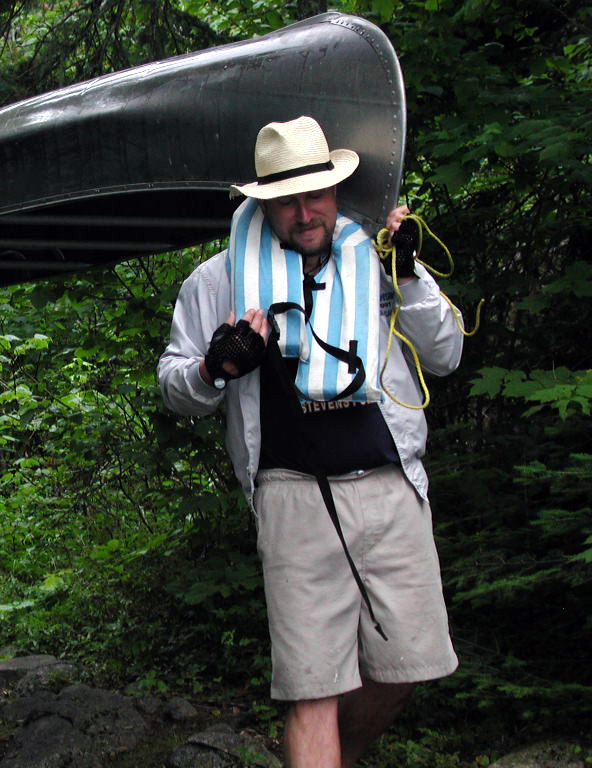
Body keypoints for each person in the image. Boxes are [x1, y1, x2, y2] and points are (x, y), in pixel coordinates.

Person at [157, 116, 463, 768]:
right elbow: (175, 388)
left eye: (315, 195)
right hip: (292, 496)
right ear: (262, 204)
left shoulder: (378, 258)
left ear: (336, 191)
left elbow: (445, 354)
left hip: (390, 489)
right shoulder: (219, 281)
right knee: (312, 690)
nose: (304, 214)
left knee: (408, 666)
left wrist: (409, 274)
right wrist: (216, 367)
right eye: (286, 201)